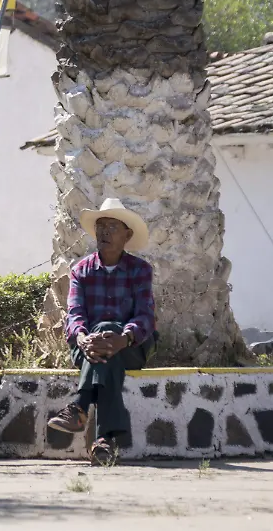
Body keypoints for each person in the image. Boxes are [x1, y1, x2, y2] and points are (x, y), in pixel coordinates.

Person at [46, 198, 158, 466]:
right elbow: (75, 314)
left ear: (127, 235)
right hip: (87, 346)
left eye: (112, 227)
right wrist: (83, 338)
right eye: (100, 227)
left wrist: (125, 337)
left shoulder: (140, 270)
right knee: (106, 350)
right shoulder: (81, 270)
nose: (105, 232)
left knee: (108, 337)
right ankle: (104, 441)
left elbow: (145, 316)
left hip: (134, 344)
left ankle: (80, 405)